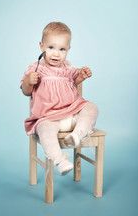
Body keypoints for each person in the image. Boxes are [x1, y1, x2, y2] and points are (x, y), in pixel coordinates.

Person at [20, 22, 98, 175]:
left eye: (62, 49)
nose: (56, 54)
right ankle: (60, 161)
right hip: (48, 118)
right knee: (45, 131)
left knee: (91, 108)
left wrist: (81, 76)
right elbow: (26, 91)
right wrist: (28, 82)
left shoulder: (68, 67)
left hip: (72, 113)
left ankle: (77, 135)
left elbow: (71, 83)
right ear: (42, 46)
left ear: (68, 50)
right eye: (51, 48)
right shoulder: (36, 68)